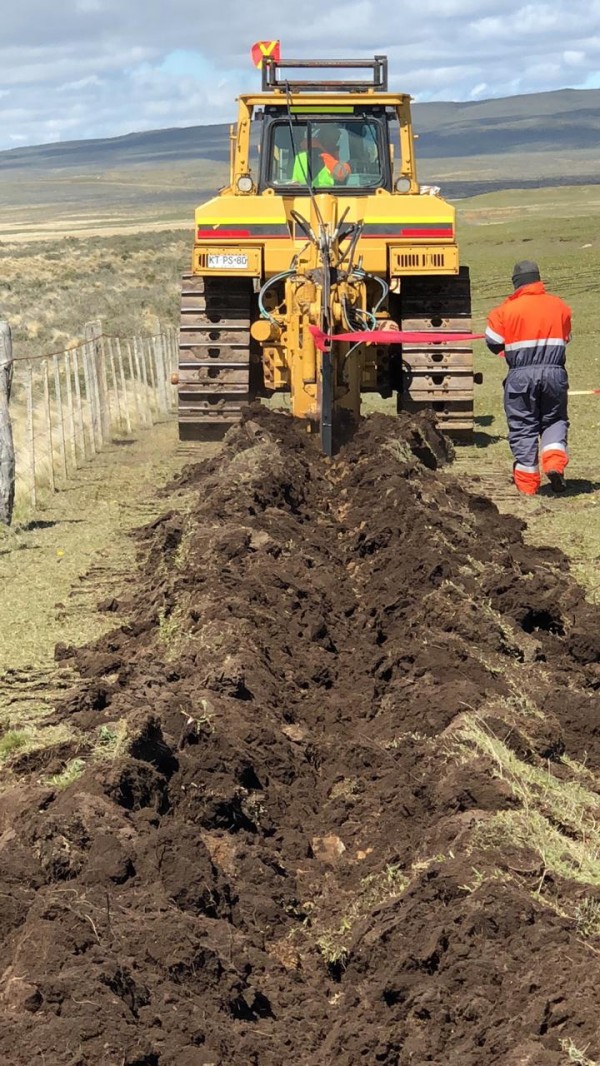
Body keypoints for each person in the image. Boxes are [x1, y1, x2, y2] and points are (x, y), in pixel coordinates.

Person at [485, 260, 572, 495]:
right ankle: (554, 463)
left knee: (523, 426)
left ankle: (527, 485)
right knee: (554, 419)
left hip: (521, 375)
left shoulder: (503, 311)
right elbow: (566, 337)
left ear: (516, 284)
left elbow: (493, 343)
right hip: (554, 372)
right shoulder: (560, 306)